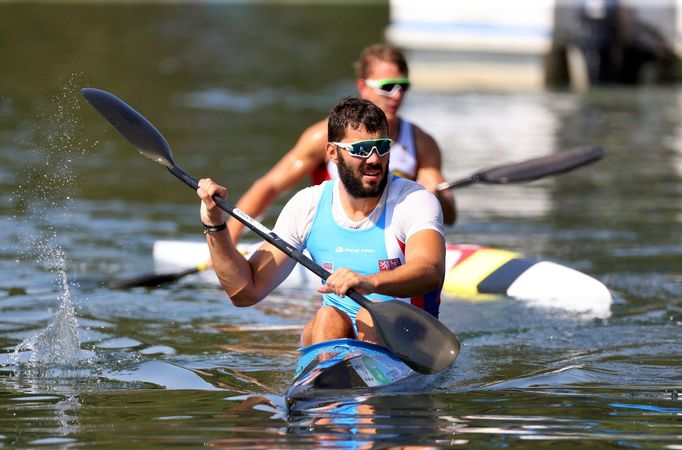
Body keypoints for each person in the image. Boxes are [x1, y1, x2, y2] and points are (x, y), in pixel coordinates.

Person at [197, 97, 445, 346]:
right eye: (360, 149)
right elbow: (246, 292)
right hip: (335, 332)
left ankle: (349, 375)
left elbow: (429, 270)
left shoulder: (414, 200)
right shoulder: (308, 205)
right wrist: (215, 226)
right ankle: (326, 374)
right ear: (332, 153)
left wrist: (369, 281)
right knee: (327, 317)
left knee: (369, 313)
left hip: (408, 338)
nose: (374, 159)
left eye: (382, 146)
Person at [224, 43, 456, 246]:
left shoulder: (422, 143)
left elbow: (450, 216)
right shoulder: (321, 137)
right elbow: (270, 187)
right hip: (333, 236)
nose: (397, 95)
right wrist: (228, 241)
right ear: (363, 87)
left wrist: (435, 195)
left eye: (403, 86)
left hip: (393, 237)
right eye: (387, 86)